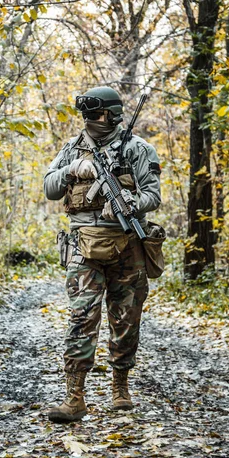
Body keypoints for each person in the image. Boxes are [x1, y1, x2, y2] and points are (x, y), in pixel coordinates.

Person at [43, 86, 161, 423]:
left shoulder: (138, 149)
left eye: (95, 114)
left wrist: (127, 202)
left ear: (111, 114)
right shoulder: (72, 148)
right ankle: (74, 397)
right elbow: (50, 188)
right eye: (87, 115)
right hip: (83, 247)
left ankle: (120, 387)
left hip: (127, 245)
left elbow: (152, 195)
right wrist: (71, 170)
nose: (89, 120)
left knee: (126, 320)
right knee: (82, 319)